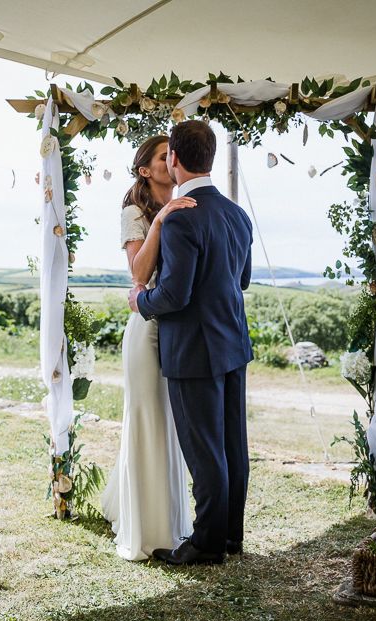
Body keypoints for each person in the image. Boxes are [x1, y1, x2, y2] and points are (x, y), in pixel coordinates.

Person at [129, 120, 254, 565]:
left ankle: (205, 544)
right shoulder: (237, 215)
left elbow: (174, 295)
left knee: (204, 451)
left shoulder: (181, 215)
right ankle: (230, 536)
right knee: (233, 447)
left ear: (175, 160)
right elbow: (242, 279)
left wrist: (141, 301)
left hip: (194, 351)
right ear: (212, 159)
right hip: (233, 345)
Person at [101, 135, 197, 561]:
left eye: (171, 155)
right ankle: (145, 525)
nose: (169, 161)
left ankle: (170, 517)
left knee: (171, 424)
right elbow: (138, 275)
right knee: (146, 419)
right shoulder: (134, 213)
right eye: (163, 157)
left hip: (179, 328)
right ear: (146, 170)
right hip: (146, 328)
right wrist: (159, 224)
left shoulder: (186, 205)